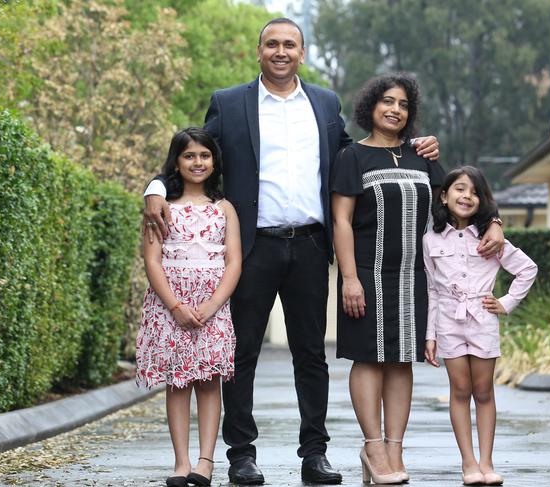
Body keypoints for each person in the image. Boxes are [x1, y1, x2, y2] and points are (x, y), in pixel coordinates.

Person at [143, 18, 440, 485]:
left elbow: (355, 153)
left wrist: (412, 146)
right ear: (258, 50)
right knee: (240, 355)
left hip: (308, 245)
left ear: (302, 53)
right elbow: (193, 151)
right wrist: (156, 188)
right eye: (272, 44)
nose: (281, 51)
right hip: (251, 247)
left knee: (310, 355)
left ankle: (314, 454)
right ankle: (241, 454)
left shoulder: (324, 102)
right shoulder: (229, 102)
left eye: (290, 45)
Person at [331, 74, 505, 485]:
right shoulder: (351, 157)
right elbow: (340, 220)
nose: (395, 109)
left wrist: (494, 221)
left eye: (404, 104)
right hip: (368, 274)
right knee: (369, 357)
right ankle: (372, 447)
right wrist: (349, 277)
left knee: (400, 361)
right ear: (370, 107)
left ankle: (395, 449)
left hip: (416, 277)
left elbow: (462, 200)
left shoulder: (422, 157)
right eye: (387, 101)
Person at [136, 127, 241, 487]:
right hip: (171, 306)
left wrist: (212, 305)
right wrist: (176, 306)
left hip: (213, 304)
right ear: (176, 163)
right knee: (177, 383)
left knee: (210, 381)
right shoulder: (161, 208)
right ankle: (181, 462)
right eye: (189, 156)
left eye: (204, 156)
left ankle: (205, 462)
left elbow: (234, 262)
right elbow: (152, 260)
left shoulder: (224, 209)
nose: (198, 162)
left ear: (214, 162)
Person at [423, 166, 537, 486]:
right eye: (459, 189)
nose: (467, 196)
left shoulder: (491, 237)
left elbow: (527, 269)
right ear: (444, 196)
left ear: (482, 200)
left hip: (483, 318)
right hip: (448, 320)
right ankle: (468, 463)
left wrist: (506, 302)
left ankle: (487, 462)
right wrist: (430, 335)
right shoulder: (430, 240)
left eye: (474, 192)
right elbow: (432, 289)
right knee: (460, 390)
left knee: (484, 391)